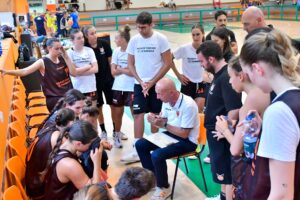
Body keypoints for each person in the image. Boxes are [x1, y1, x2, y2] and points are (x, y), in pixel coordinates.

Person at [239, 29, 300, 199]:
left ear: (257, 69)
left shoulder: (280, 111)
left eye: (248, 73)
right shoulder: (292, 99)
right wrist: (266, 131)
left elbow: (282, 194)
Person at [213, 56, 270, 198]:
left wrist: (224, 129)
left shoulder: (251, 101)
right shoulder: (265, 91)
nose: (230, 81)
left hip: (255, 168)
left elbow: (236, 149)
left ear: (241, 76)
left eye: (231, 77)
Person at [136, 77, 199, 200]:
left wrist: (163, 125)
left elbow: (184, 134)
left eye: (160, 93)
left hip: (187, 141)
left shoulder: (188, 105)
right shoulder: (166, 101)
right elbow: (164, 120)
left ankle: (164, 187)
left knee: (157, 155)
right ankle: (152, 180)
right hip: (172, 134)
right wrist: (155, 119)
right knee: (140, 144)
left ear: (171, 92)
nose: (157, 97)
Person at [123, 11, 172, 163]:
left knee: (154, 115)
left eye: (143, 27)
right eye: (138, 27)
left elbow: (167, 63)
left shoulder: (161, 39)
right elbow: (130, 63)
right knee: (137, 114)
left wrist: (152, 82)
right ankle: (137, 148)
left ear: (151, 24)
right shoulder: (134, 41)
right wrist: (140, 80)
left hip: (157, 84)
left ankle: (154, 145)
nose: (140, 30)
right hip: (140, 84)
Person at [196, 41, 242, 200]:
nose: (201, 65)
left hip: (221, 135)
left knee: (227, 176)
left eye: (202, 61)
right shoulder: (218, 75)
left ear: (211, 59)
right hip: (215, 133)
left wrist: (226, 130)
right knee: (222, 174)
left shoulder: (225, 77)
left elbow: (235, 109)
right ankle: (223, 196)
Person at [0, 38, 77, 111]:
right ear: (49, 48)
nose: (60, 51)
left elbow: (74, 73)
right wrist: (7, 72)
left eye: (60, 48)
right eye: (57, 49)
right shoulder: (42, 62)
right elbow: (24, 71)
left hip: (69, 95)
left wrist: (66, 56)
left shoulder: (63, 58)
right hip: (55, 99)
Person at [43, 120, 103, 200]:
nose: (90, 147)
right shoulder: (70, 165)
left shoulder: (63, 145)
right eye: (89, 145)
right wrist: (97, 162)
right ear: (78, 143)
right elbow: (93, 193)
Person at [25, 108, 75, 199]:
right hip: (38, 189)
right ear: (69, 124)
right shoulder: (58, 139)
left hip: (32, 181)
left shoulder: (49, 127)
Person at [82, 25, 116, 141]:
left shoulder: (104, 44)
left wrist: (113, 76)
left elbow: (111, 62)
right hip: (93, 83)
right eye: (92, 33)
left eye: (95, 32)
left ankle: (116, 131)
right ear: (86, 36)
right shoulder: (85, 48)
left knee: (114, 106)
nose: (95, 35)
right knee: (98, 108)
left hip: (108, 80)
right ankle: (103, 131)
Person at [109, 25, 134, 147]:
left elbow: (132, 72)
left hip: (132, 87)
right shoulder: (116, 51)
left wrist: (121, 69)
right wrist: (125, 69)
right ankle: (117, 136)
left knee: (136, 115)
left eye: (116, 38)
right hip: (118, 87)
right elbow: (113, 72)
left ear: (123, 39)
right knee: (118, 113)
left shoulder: (132, 51)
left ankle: (137, 140)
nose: (115, 40)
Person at [171, 24, 206, 112]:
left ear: (203, 34)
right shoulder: (184, 48)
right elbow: (169, 59)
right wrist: (178, 75)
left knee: (199, 109)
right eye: (193, 35)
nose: (195, 37)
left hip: (202, 83)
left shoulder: (207, 49)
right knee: (186, 110)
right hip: (187, 83)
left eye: (198, 34)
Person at [68, 29, 98, 105]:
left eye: (82, 37)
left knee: (92, 113)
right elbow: (73, 72)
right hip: (77, 89)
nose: (82, 40)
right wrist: (88, 66)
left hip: (91, 87)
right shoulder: (69, 53)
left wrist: (79, 71)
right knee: (80, 114)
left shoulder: (89, 50)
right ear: (72, 40)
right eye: (78, 38)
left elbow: (95, 69)